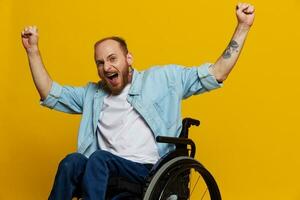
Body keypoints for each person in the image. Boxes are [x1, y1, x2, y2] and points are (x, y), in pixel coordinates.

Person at [21, 3, 255, 200]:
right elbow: (50, 93)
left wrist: (242, 26)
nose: (107, 67)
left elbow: (216, 73)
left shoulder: (163, 79)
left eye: (112, 59)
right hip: (102, 172)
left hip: (146, 172)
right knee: (72, 162)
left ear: (128, 58)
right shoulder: (93, 94)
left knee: (98, 159)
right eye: (100, 63)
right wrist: (33, 51)